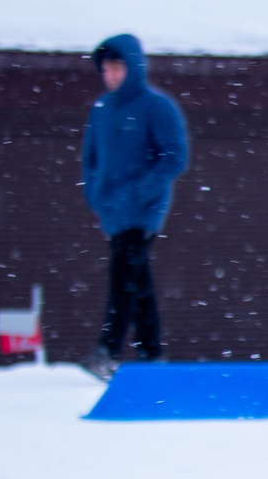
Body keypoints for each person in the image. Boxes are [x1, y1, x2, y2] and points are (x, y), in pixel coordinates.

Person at [76, 33, 189, 381]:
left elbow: (174, 158)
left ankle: (108, 350)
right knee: (137, 282)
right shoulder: (102, 110)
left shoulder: (157, 107)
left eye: (116, 68)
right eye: (105, 70)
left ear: (133, 68)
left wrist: (138, 193)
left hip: (142, 212)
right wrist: (97, 194)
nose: (110, 76)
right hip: (112, 212)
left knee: (123, 278)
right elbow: (90, 159)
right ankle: (150, 353)